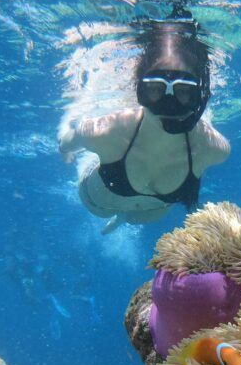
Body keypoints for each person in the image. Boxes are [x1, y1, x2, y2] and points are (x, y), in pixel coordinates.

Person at [58, 14, 230, 233]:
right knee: (113, 211)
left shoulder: (212, 148)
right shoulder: (109, 132)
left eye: (184, 92)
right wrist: (65, 148)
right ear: (139, 90)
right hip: (98, 204)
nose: (170, 104)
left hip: (146, 213)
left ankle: (123, 219)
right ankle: (121, 216)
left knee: (132, 217)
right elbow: (67, 141)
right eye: (155, 90)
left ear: (201, 95)